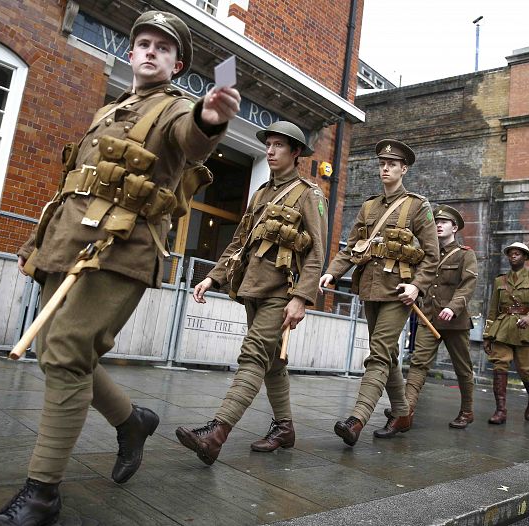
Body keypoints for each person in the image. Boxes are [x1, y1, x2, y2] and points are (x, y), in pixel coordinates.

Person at [0, 11, 242, 526]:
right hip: (67, 240)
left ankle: (42, 494)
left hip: (120, 248)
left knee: (66, 354)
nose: (150, 52)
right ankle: (132, 422)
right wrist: (36, 243)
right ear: (130, 53)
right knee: (53, 350)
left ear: (178, 63)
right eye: (142, 43)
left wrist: (212, 117)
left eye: (162, 48)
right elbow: (71, 183)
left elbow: (192, 138)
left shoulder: (174, 109)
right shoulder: (108, 112)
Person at [175, 121, 327, 465]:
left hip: (281, 291)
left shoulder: (309, 194)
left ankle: (216, 433)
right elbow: (239, 242)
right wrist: (214, 278)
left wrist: (301, 298)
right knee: (272, 362)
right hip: (252, 288)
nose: (270, 151)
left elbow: (317, 251)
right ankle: (285, 428)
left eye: (278, 146)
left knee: (254, 355)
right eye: (268, 144)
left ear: (296, 152)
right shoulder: (261, 193)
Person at [320, 139, 438, 445]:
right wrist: (331, 273)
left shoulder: (417, 205)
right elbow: (351, 247)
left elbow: (431, 255)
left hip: (399, 292)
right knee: (388, 354)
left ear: (404, 169)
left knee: (378, 355)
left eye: (392, 165)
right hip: (370, 289)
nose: (385, 168)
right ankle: (402, 413)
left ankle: (356, 419)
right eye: (382, 164)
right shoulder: (369, 206)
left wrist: (416, 285)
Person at [391, 204, 478, 429]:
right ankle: (405, 411)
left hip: (455, 321)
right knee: (418, 364)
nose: (438, 225)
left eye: (444, 222)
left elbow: (467, 286)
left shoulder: (465, 255)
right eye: (436, 222)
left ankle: (467, 411)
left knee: (462, 368)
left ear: (455, 227)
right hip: (428, 317)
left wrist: (453, 307)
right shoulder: (427, 255)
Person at [482, 242, 529, 424]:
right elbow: (492, 309)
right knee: (499, 366)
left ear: (525, 257)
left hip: (526, 329)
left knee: (527, 371)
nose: (513, 256)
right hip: (503, 328)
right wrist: (487, 335)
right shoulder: (500, 280)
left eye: (518, 253)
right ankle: (500, 411)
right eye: (511, 253)